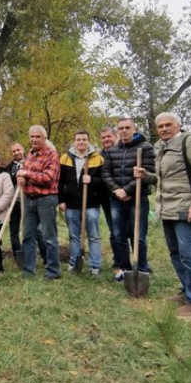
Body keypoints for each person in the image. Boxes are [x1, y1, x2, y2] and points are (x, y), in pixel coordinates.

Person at [135, 112, 191, 320]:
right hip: (167, 209)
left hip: (186, 209)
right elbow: (164, 180)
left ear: (178, 124)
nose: (163, 129)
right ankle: (186, 291)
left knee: (189, 254)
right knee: (175, 253)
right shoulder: (161, 148)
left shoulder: (190, 142)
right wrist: (147, 176)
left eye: (168, 125)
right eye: (160, 126)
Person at [101, 118, 156, 281]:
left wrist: (127, 190)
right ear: (118, 131)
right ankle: (125, 268)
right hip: (116, 199)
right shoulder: (112, 151)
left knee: (138, 235)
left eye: (127, 127)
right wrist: (117, 190)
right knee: (119, 235)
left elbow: (149, 172)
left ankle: (142, 268)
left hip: (138, 198)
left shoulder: (145, 148)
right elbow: (106, 173)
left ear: (134, 129)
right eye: (121, 128)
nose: (124, 131)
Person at [16, 125, 61, 280]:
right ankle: (29, 270)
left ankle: (53, 271)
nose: (34, 140)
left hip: (46, 200)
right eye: (32, 137)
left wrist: (26, 174)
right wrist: (20, 177)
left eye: (38, 137)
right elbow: (23, 172)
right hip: (29, 200)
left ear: (44, 138)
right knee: (28, 236)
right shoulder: (29, 154)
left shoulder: (52, 155)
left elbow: (48, 178)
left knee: (49, 237)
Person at [58, 131, 105, 276]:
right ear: (74, 142)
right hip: (71, 203)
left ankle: (95, 266)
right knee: (74, 236)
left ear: (89, 141)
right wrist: (61, 200)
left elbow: (104, 181)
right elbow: (60, 182)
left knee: (93, 236)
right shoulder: (65, 158)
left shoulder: (98, 159)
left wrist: (92, 180)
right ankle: (73, 263)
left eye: (84, 139)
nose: (81, 142)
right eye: (78, 139)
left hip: (91, 203)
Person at [99, 126, 123, 275]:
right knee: (114, 231)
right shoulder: (100, 156)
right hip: (107, 199)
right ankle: (118, 260)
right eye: (103, 138)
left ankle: (137, 261)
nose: (106, 140)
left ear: (116, 136)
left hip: (123, 196)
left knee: (127, 231)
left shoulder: (123, 152)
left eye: (109, 137)